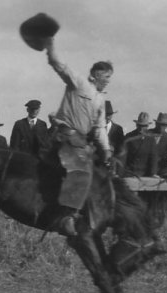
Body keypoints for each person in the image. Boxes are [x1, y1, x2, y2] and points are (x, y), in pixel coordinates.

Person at [44, 37, 112, 236]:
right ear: (97, 75)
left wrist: (107, 150)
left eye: (110, 77)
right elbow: (60, 66)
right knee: (81, 170)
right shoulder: (79, 83)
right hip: (65, 136)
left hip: (82, 141)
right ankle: (67, 218)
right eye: (107, 76)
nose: (108, 80)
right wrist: (51, 48)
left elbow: (99, 128)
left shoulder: (101, 99)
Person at [122, 112, 158, 177]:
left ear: (147, 126)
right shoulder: (129, 136)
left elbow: (153, 157)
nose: (141, 128)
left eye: (144, 126)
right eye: (140, 125)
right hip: (130, 173)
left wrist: (153, 173)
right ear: (136, 125)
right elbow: (123, 157)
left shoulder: (151, 139)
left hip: (145, 174)